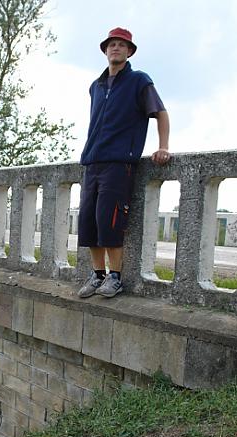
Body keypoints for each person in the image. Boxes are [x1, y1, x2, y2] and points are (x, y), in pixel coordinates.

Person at [77, 27, 171, 298]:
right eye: (111, 44)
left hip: (120, 164)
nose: (115, 48)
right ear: (105, 50)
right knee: (89, 222)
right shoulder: (96, 86)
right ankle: (97, 275)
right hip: (92, 162)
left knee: (110, 220)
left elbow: (161, 114)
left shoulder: (139, 81)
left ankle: (115, 277)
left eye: (121, 45)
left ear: (129, 51)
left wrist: (163, 147)